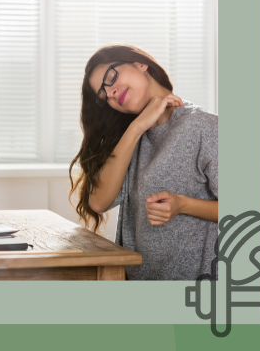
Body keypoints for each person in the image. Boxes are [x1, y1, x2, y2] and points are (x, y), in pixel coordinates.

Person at [69, 43, 218, 280]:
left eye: (111, 77)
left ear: (140, 64)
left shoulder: (204, 127)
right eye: (103, 95)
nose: (110, 93)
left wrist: (183, 205)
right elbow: (98, 202)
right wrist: (137, 127)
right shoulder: (130, 138)